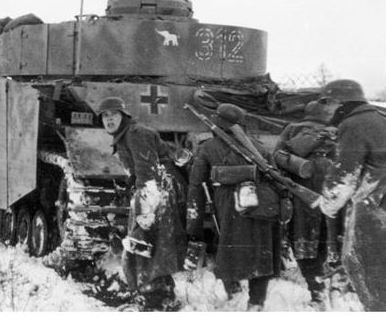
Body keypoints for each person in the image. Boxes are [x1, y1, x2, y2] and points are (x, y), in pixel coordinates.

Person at [186, 103, 281, 310]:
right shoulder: (260, 147)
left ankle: (234, 294)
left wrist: (193, 226)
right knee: (261, 251)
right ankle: (256, 302)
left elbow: (196, 186)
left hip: (229, 208)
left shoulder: (206, 148)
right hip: (261, 205)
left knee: (228, 251)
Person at [98, 96, 186, 311]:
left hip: (156, 192)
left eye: (114, 115)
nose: (109, 120)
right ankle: (159, 291)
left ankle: (154, 297)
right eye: (105, 116)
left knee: (145, 242)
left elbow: (149, 175)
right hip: (154, 190)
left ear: (124, 115)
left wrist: (145, 210)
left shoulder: (136, 134)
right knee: (151, 244)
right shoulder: (127, 133)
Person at [319, 79, 386, 311]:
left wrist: (327, 203)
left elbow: (345, 174)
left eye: (326, 103)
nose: (324, 109)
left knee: (370, 268)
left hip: (377, 205)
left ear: (339, 102)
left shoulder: (352, 124)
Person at [274, 100, 338, 307]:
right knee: (329, 237)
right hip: (332, 185)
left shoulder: (293, 129)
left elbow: (278, 157)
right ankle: (333, 290)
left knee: (302, 238)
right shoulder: (335, 132)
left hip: (302, 187)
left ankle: (316, 292)